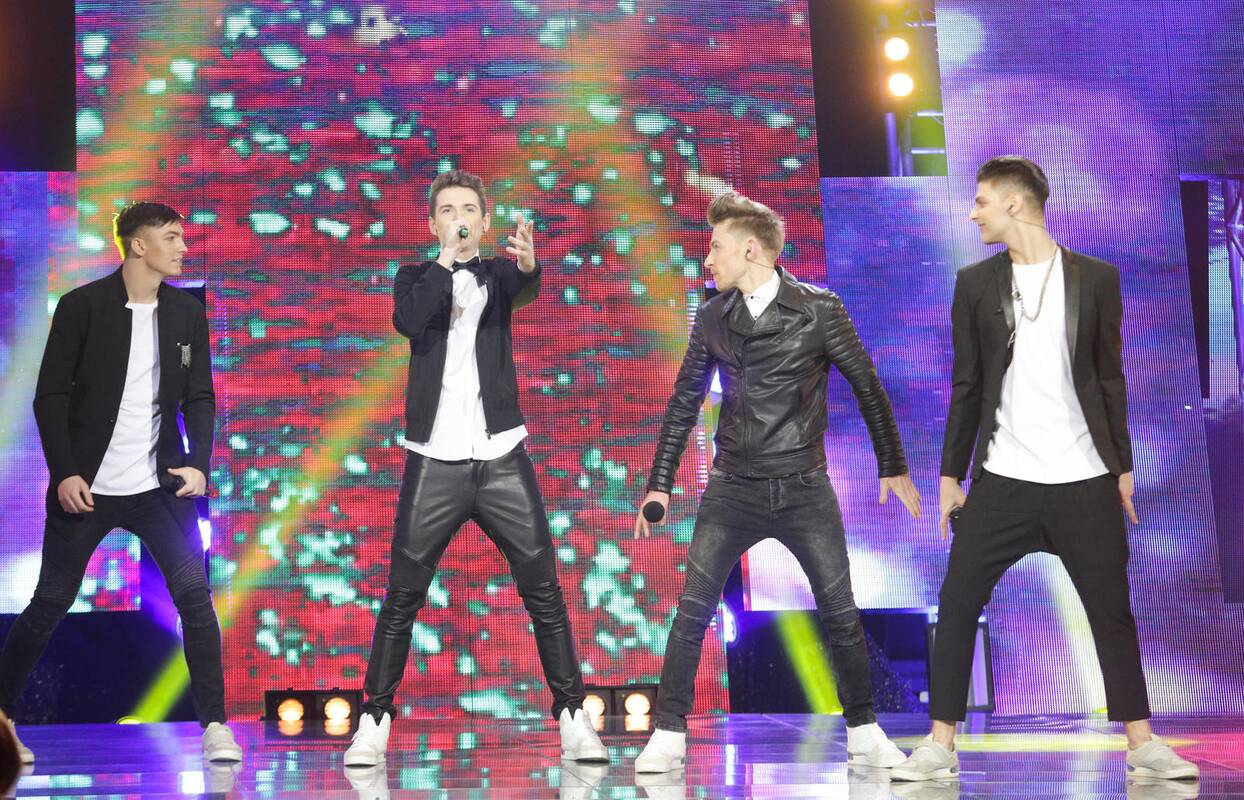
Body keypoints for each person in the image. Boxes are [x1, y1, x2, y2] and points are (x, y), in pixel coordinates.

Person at [892, 156, 1198, 783]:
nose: (973, 213)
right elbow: (966, 385)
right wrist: (951, 475)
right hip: (1003, 478)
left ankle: (1141, 742)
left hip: (1083, 477)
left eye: (981, 201)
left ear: (1015, 204)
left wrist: (1121, 467)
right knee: (957, 603)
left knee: (1110, 610)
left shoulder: (1096, 278)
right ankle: (940, 743)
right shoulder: (975, 284)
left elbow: (1110, 378)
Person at [632, 191, 922, 773]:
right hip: (733, 488)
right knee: (692, 612)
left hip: (803, 487)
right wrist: (660, 482)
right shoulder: (713, 317)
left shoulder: (819, 309)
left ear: (750, 249)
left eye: (715, 247)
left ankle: (864, 730)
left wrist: (892, 463)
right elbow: (685, 401)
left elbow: (867, 385)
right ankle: (667, 733)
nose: (707, 259)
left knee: (840, 613)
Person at [344, 170, 606, 766]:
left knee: (544, 591)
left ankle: (573, 717)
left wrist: (530, 263)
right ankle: (374, 721)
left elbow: (525, 281)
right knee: (402, 597)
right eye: (447, 210)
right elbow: (410, 320)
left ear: (485, 222)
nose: (458, 218)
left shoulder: (498, 277)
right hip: (434, 460)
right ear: (432, 223)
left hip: (501, 457)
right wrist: (444, 260)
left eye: (468, 210)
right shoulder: (414, 277)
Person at [0, 202, 241, 763]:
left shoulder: (186, 312)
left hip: (159, 488)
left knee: (196, 600)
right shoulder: (82, 306)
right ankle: (2, 720)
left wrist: (198, 463)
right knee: (49, 603)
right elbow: (50, 396)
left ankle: (215, 726)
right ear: (138, 244)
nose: (183, 248)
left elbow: (200, 396)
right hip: (88, 489)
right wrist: (65, 472)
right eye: (171, 237)